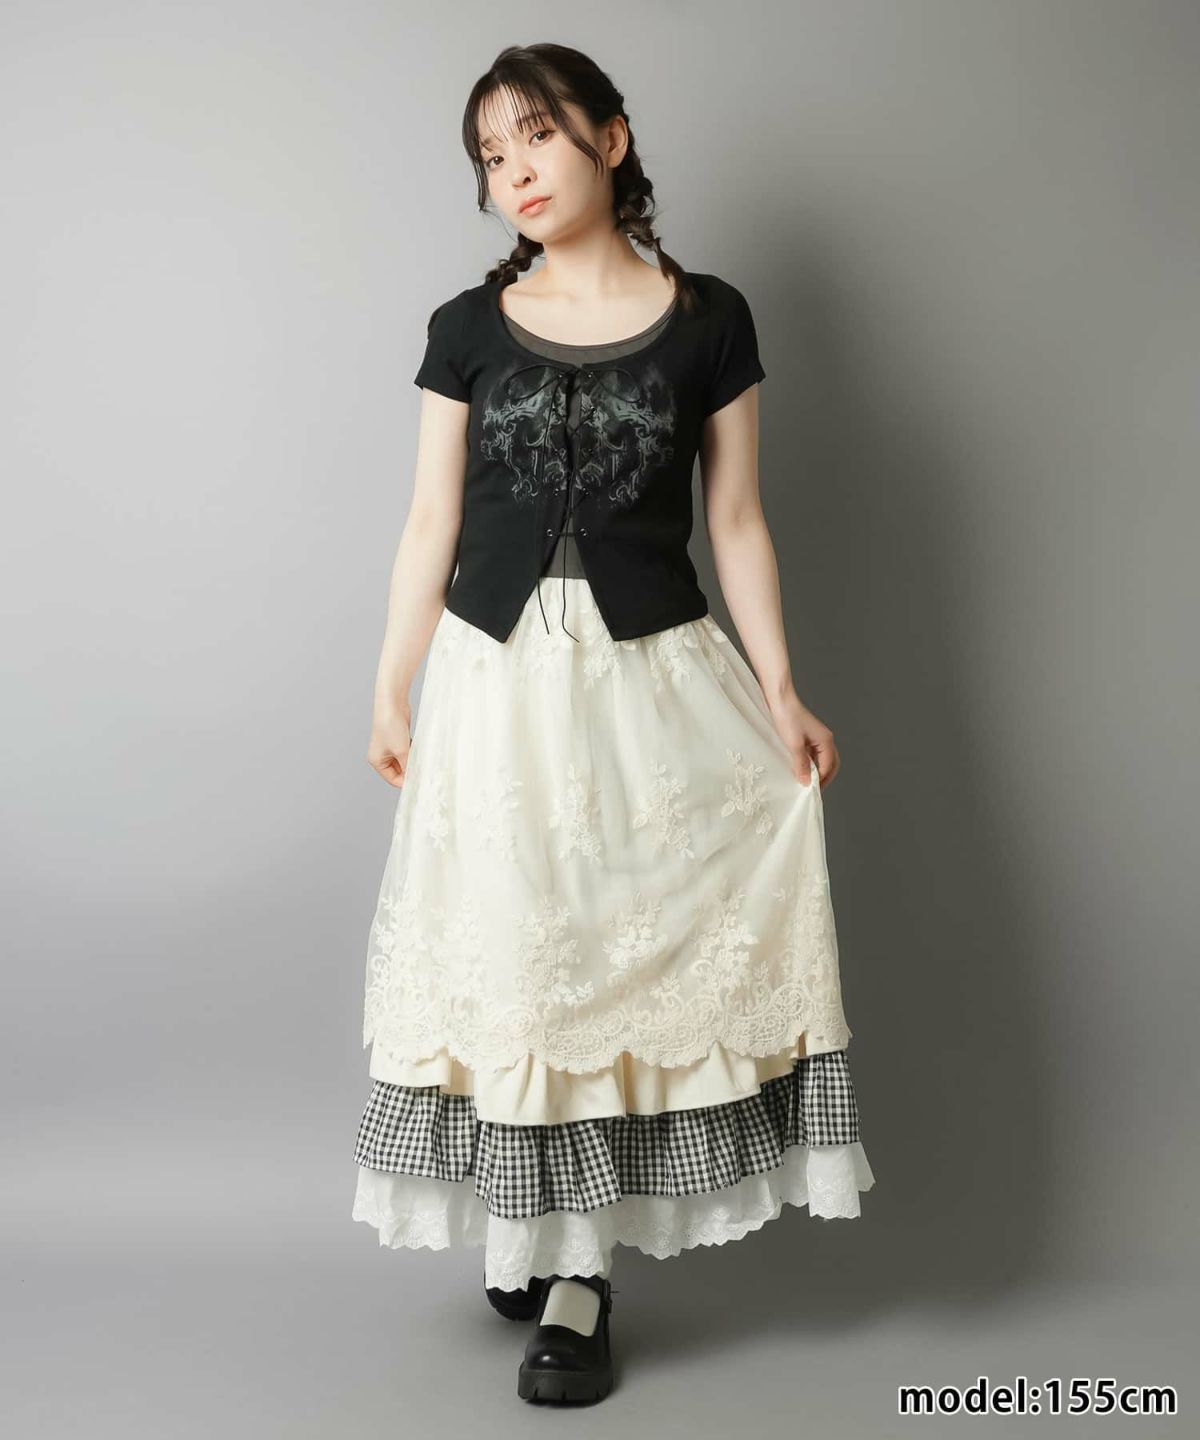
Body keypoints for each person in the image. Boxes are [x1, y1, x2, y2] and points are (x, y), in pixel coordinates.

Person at [351, 42, 875, 1406]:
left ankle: (582, 1279)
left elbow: (737, 521)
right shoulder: (465, 328)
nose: (514, 171)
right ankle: (542, 1234)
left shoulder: (710, 321)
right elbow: (431, 518)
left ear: (613, 138)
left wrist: (781, 691)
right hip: (495, 684)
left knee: (610, 959)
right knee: (521, 955)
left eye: (538, 134)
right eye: (491, 154)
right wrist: (393, 683)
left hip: (650, 690)